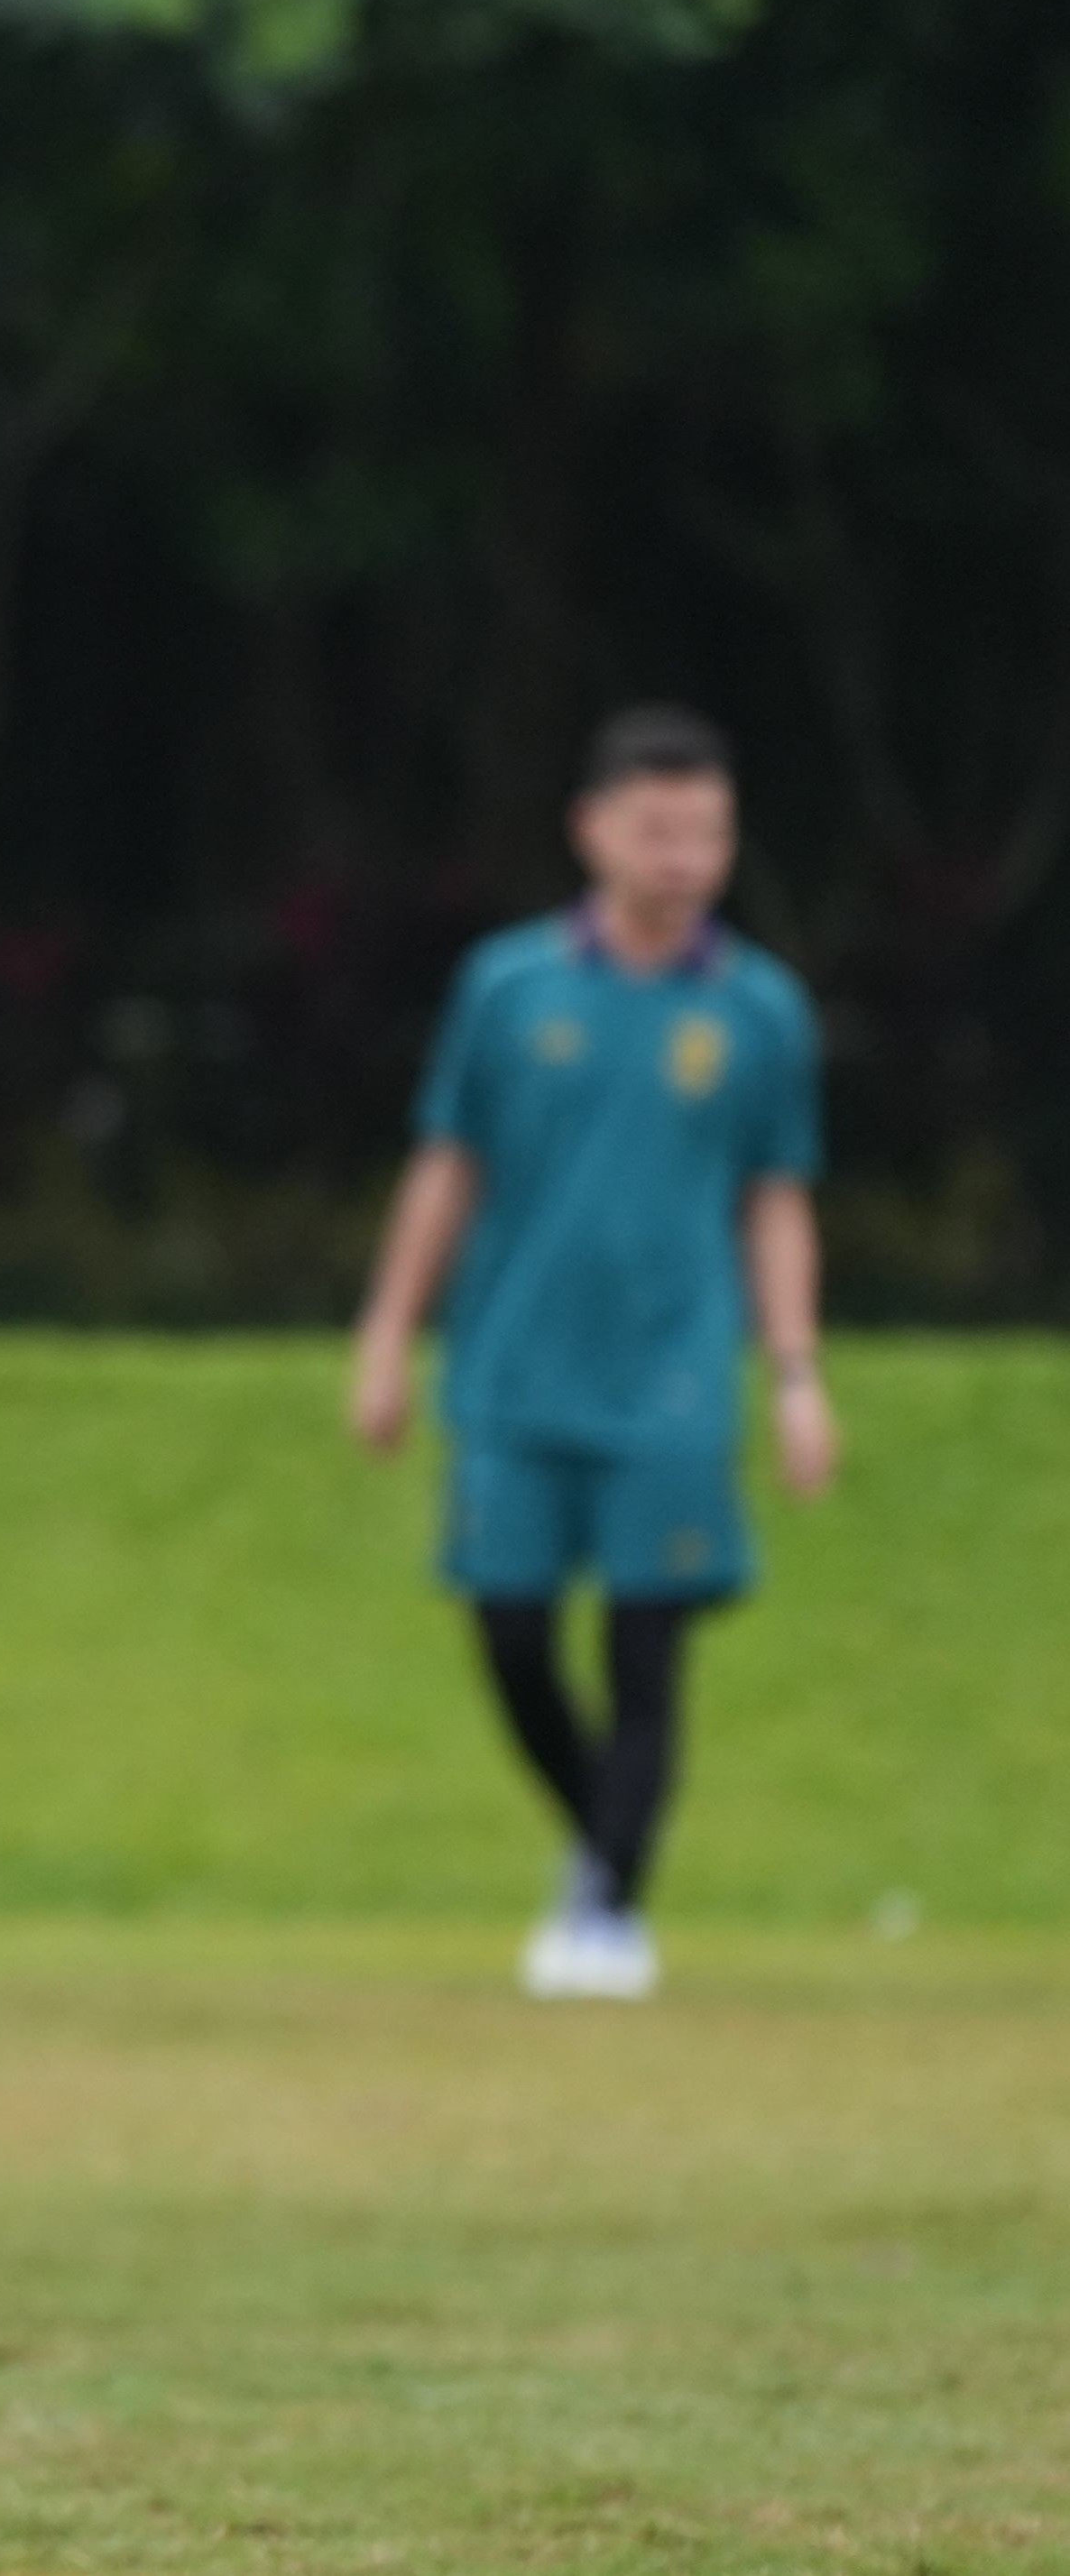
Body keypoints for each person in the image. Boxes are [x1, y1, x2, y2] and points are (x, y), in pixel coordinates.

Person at [346, 704, 834, 2003]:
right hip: (513, 1369)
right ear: (591, 831)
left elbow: (774, 1198)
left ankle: (606, 1912)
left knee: (643, 1651)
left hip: (671, 1378)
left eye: (707, 834)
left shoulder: (758, 1010)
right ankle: (600, 1844)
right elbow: (447, 1167)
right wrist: (387, 1333)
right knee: (510, 1638)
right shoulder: (507, 989)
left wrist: (794, 1373)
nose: (683, 858)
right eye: (657, 831)